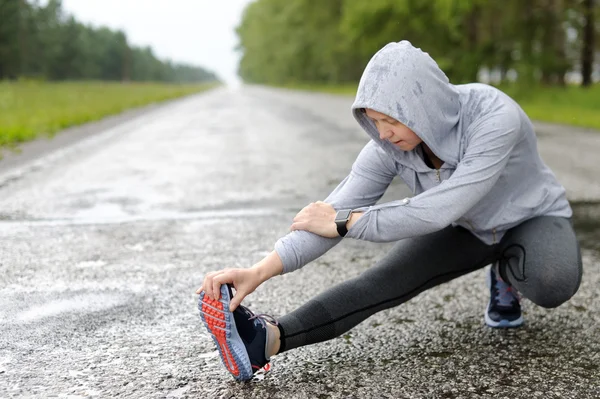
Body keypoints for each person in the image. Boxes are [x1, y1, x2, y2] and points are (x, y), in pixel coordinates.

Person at [196, 41, 582, 382]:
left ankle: (506, 276)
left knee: (553, 280)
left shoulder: (495, 117)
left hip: (531, 218)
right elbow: (330, 213)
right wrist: (259, 271)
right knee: (385, 281)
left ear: (422, 106)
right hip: (468, 229)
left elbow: (438, 209)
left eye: (391, 120)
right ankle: (265, 340)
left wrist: (348, 223)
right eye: (374, 121)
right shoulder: (387, 148)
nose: (382, 134)